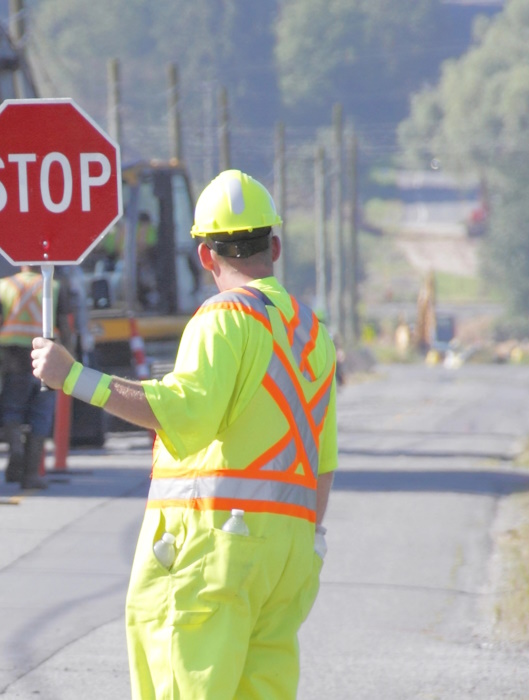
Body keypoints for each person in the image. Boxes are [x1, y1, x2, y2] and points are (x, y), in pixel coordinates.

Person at [31, 170, 337, 699]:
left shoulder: (224, 317)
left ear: (204, 255)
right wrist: (311, 539)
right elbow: (323, 459)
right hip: (289, 551)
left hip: (216, 546)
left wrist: (72, 377)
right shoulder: (313, 333)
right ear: (276, 246)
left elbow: (186, 413)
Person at [0, 264, 72, 491]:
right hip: (45, 357)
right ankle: (30, 475)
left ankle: (16, 449)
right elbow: (65, 327)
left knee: (13, 409)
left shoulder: (6, 285)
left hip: (13, 356)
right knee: (41, 414)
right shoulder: (54, 286)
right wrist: (71, 363)